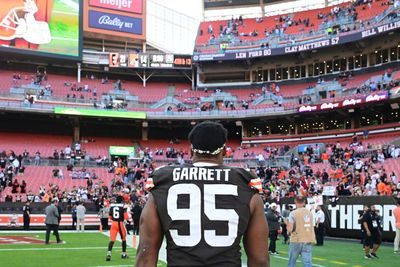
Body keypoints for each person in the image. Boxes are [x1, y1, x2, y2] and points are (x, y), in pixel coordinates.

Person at [136, 121, 269, 267]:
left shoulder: (163, 182)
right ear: (224, 151)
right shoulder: (246, 185)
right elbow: (260, 260)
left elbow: (145, 254)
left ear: (191, 151)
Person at [287, 196, 316, 267]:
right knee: (308, 263)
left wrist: (287, 224)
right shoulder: (309, 213)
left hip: (296, 239)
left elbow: (290, 229)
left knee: (292, 263)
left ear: (295, 202)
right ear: (304, 202)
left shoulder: (293, 213)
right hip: (307, 239)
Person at [106, 195, 129, 261]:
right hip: (120, 224)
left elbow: (110, 217)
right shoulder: (123, 206)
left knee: (112, 240)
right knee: (124, 239)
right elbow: (126, 217)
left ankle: (109, 254)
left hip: (113, 223)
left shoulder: (112, 206)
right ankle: (124, 254)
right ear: (122, 200)